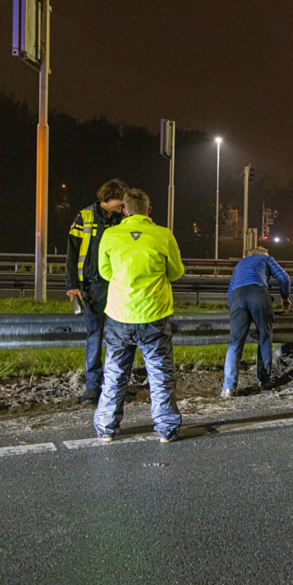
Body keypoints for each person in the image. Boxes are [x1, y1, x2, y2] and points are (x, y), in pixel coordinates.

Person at [93, 188, 185, 442]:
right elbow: (176, 272)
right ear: (149, 209)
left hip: (120, 315)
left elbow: (104, 272)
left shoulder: (111, 235)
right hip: (154, 315)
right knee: (160, 374)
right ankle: (166, 429)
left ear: (124, 210)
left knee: (114, 373)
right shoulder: (163, 235)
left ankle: (106, 429)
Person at [65, 179, 128, 405]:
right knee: (95, 336)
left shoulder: (122, 219)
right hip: (92, 287)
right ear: (110, 197)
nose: (125, 203)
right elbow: (72, 252)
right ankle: (92, 387)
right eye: (122, 198)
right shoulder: (85, 217)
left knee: (116, 338)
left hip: (116, 288)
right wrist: (72, 285)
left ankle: (113, 384)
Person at [222, 247, 291, 398]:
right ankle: (264, 381)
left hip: (237, 298)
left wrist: (233, 308)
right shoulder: (266, 258)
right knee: (264, 338)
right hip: (258, 294)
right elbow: (284, 278)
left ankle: (228, 387)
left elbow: (230, 290)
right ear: (262, 254)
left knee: (235, 342)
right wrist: (285, 298)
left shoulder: (240, 264)